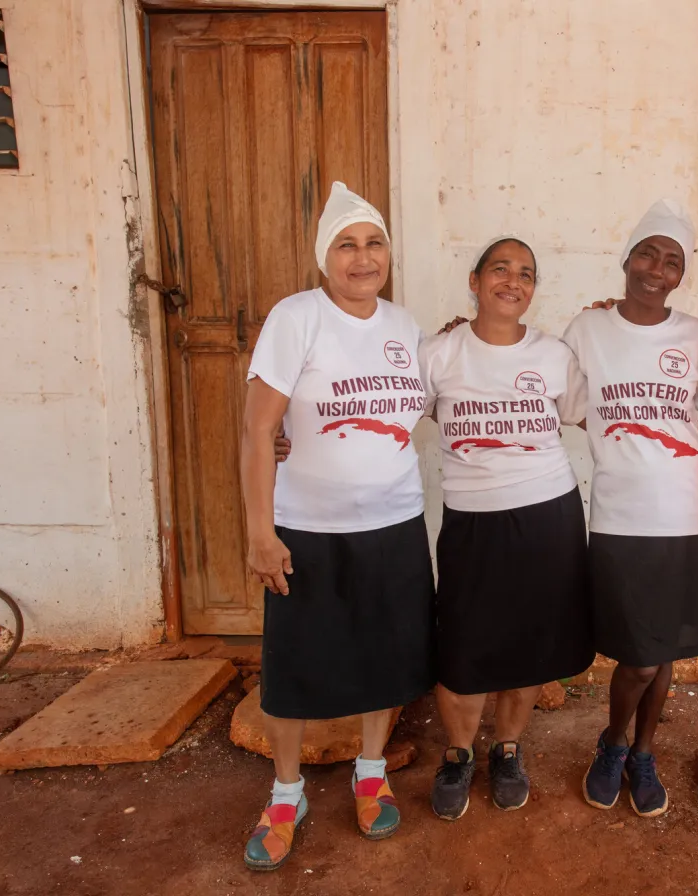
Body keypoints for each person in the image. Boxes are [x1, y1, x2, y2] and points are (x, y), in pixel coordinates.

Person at [239, 182, 435, 869]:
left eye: (373, 242)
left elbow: (458, 388)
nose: (362, 258)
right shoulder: (297, 318)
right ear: (325, 258)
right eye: (346, 245)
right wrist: (262, 532)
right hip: (308, 528)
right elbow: (259, 432)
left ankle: (371, 772)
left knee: (385, 655)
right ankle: (286, 791)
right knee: (295, 666)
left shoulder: (406, 327)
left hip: (394, 521)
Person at [564, 200, 698, 819]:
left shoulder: (695, 338)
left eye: (671, 261)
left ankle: (642, 751)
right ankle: (610, 743)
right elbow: (567, 403)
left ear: (681, 274)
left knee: (664, 651)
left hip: (686, 514)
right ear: (627, 259)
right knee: (640, 653)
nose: (656, 269)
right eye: (647, 254)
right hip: (620, 516)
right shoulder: (587, 331)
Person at [420, 237, 594, 821]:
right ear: (475, 281)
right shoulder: (438, 354)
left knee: (529, 648)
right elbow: (381, 409)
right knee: (464, 649)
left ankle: (508, 749)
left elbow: (596, 414)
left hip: (549, 517)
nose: (512, 282)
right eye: (500, 269)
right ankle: (458, 753)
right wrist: (289, 435)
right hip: (472, 523)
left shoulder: (555, 355)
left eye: (525, 273)